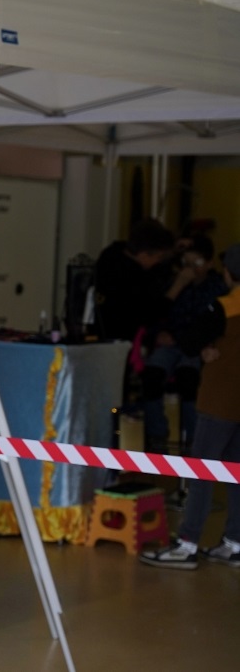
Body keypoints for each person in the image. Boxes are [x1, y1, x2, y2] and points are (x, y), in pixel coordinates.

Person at [140, 242, 240, 570]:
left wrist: (207, 346)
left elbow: (188, 340)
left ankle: (187, 543)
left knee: (201, 472)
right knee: (236, 472)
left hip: (219, 399)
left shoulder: (224, 307)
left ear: (228, 273)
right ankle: (234, 542)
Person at [137, 234, 226, 453]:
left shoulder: (217, 288)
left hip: (196, 344)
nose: (191, 269)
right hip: (172, 342)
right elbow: (157, 315)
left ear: (208, 263)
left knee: (188, 379)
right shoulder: (175, 283)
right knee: (152, 375)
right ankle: (157, 434)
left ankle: (194, 437)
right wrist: (160, 333)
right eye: (187, 263)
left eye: (196, 264)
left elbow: (213, 323)